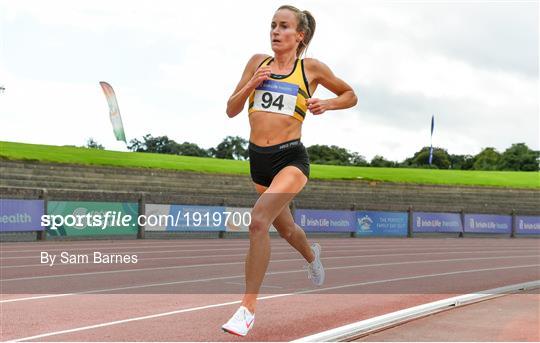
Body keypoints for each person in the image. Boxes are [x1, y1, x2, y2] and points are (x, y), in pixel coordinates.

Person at [221, 5, 357, 337]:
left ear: (300, 36)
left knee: (257, 222)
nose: (275, 32)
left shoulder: (310, 68)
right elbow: (230, 109)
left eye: (283, 27)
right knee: (287, 230)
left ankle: (247, 309)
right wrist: (251, 84)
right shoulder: (257, 63)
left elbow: (350, 94)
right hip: (259, 162)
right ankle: (313, 256)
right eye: (272, 26)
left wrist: (327, 103)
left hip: (291, 160)